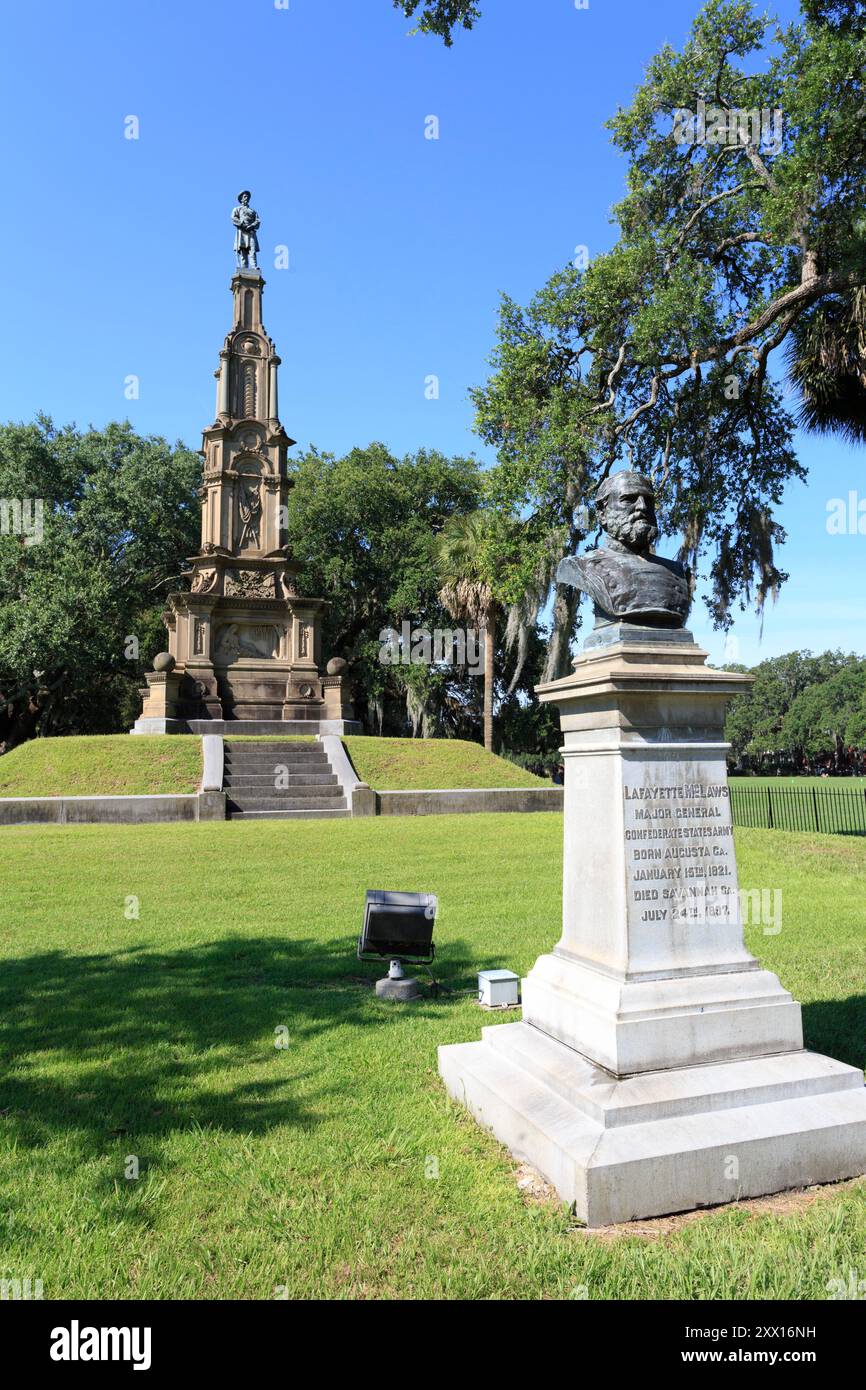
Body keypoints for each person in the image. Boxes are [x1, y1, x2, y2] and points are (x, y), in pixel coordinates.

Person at [232, 191, 260, 270]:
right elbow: (234, 218)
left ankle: (254, 267)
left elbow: (258, 221)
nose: (246, 198)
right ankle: (244, 268)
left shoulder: (253, 211)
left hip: (251, 232)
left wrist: (252, 225)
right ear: (241, 199)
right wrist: (242, 224)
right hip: (242, 232)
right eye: (244, 196)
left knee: (252, 249)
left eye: (247, 196)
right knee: (243, 250)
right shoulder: (237, 209)